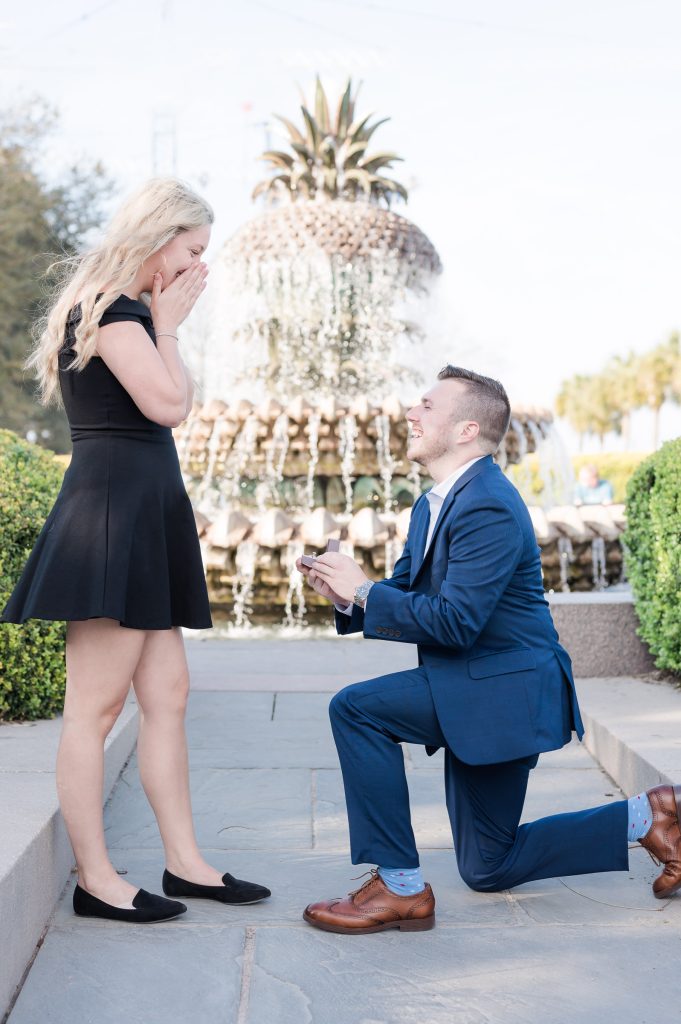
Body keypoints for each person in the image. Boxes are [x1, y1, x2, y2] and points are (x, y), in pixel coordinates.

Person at [297, 365, 680, 935]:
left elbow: (455, 623)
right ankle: (648, 815)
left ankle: (399, 887)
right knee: (488, 866)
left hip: (507, 690)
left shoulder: (489, 504)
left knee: (356, 708)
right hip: (473, 686)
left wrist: (363, 589)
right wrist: (348, 597)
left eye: (427, 405)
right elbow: (405, 592)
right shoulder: (434, 503)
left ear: (466, 429)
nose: (411, 413)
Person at [1, 178, 270, 923]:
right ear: (156, 240)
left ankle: (185, 863)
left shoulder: (128, 311)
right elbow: (168, 406)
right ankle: (96, 879)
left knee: (168, 696)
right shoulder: (116, 311)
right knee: (93, 708)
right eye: (190, 252)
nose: (195, 271)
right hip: (112, 518)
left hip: (142, 514)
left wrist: (166, 321)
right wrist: (170, 326)